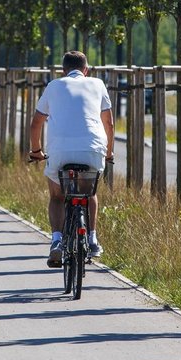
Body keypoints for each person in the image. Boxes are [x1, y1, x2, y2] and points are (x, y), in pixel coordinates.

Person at [28, 51, 114, 267]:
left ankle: (56, 241)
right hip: (92, 150)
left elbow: (36, 123)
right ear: (86, 70)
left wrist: (36, 151)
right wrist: (109, 152)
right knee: (89, 192)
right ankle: (92, 239)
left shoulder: (54, 85)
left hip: (60, 152)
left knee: (57, 197)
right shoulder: (98, 84)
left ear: (63, 71)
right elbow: (109, 123)